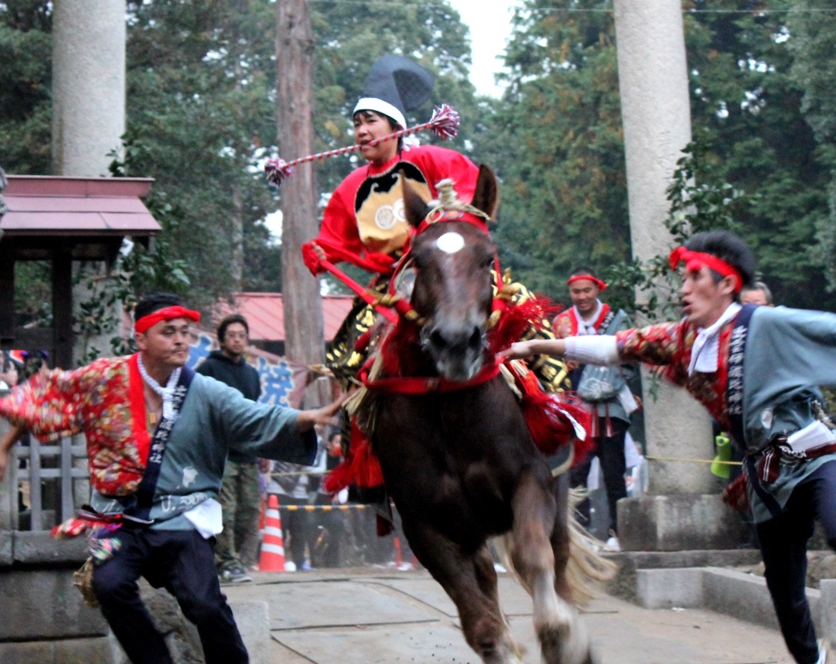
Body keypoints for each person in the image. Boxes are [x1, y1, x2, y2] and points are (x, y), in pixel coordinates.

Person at [505, 230, 836, 664]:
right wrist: (536, 348)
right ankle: (809, 663)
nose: (684, 289)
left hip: (817, 451)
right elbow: (614, 347)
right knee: (783, 582)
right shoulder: (681, 341)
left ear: (726, 283)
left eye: (695, 277)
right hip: (765, 474)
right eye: (684, 278)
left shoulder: (769, 324)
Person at [0, 292, 340, 664]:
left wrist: (312, 416)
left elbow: (257, 418)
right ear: (141, 338)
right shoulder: (105, 377)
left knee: (205, 605)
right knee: (109, 583)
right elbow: (45, 400)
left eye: (184, 333)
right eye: (167, 333)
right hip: (120, 517)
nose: (180, 341)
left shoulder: (205, 391)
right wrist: (1, 450)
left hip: (182, 514)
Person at [307, 53, 566, 394]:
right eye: (357, 124)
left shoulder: (430, 158)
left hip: (451, 266)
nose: (362, 131)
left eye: (370, 121)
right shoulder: (350, 187)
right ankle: (353, 422)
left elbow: (471, 203)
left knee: (520, 307)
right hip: (391, 284)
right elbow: (334, 241)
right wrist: (317, 252)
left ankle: (554, 397)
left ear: (397, 128)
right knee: (348, 359)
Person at [552, 268, 637, 549]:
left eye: (587, 291)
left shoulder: (617, 320)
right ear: (570, 293)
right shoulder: (562, 323)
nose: (582, 297)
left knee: (615, 472)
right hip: (578, 410)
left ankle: (618, 532)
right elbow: (552, 367)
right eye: (576, 292)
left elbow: (630, 358)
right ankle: (581, 535)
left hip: (612, 407)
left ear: (597, 290)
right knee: (576, 473)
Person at [196, 314, 262, 583]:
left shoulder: (252, 374)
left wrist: (262, 448)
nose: (237, 339)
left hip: (247, 452)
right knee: (225, 510)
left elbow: (256, 413)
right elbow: (197, 409)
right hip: (220, 452)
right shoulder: (207, 370)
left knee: (250, 512)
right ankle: (227, 562)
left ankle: (233, 559)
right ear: (222, 339)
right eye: (232, 335)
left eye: (242, 335)